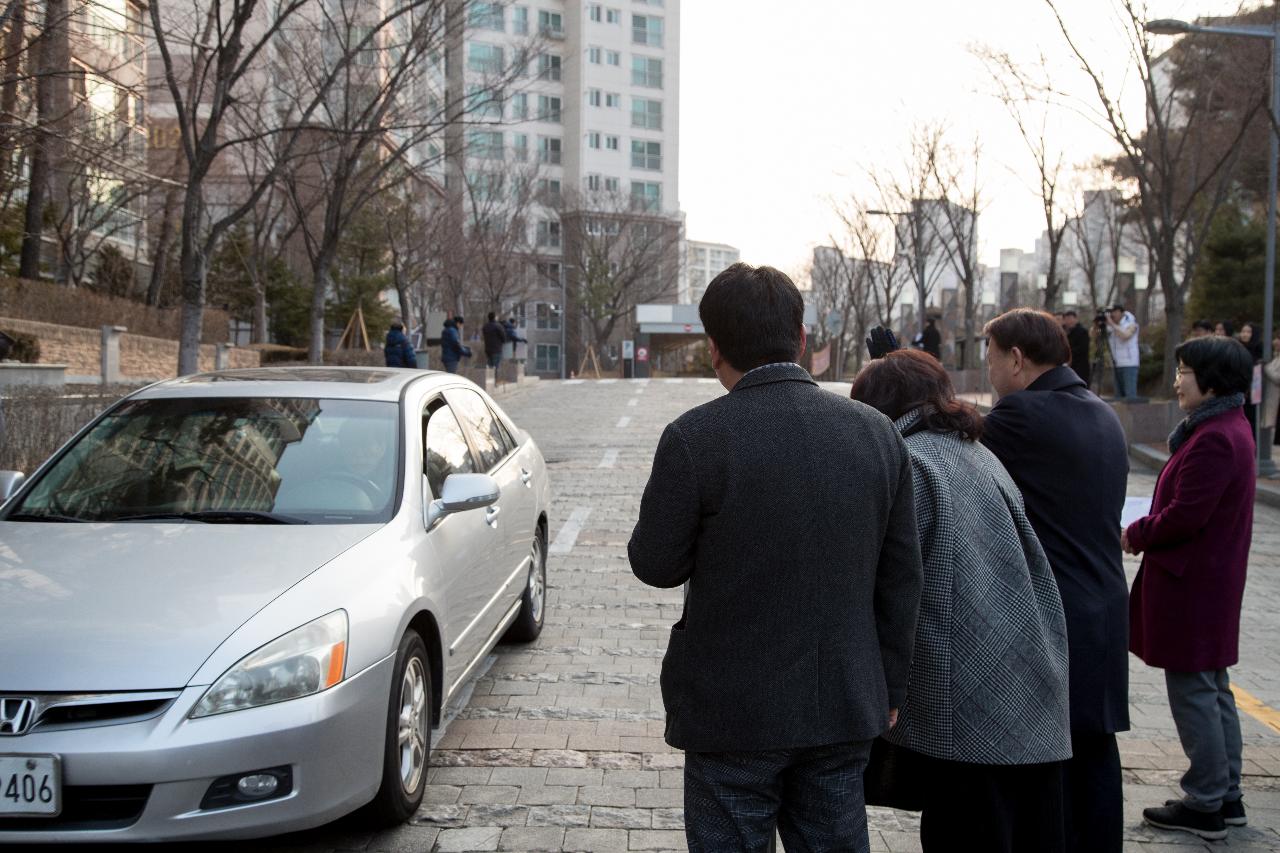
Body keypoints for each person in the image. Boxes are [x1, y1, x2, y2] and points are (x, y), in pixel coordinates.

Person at [628, 263, 923, 853]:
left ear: (713, 348)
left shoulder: (695, 437)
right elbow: (901, 579)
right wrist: (889, 687)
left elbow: (654, 564)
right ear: (803, 338)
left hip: (729, 710)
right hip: (844, 700)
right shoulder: (876, 434)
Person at [850, 349, 1071, 853]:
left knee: (968, 832)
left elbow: (894, 584)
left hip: (967, 695)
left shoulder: (913, 462)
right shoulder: (974, 452)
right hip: (1022, 680)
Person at [979, 308, 1130, 853]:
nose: (989, 369)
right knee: (1096, 757)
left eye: (991, 356)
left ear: (1016, 359)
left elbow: (953, 440)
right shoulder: (1101, 412)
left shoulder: (1020, 416)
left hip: (1058, 616)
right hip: (1106, 610)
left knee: (1054, 772)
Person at [1125, 335, 1256, 841]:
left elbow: (1185, 516)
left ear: (1212, 381)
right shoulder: (1227, 427)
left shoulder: (1216, 438)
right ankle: (1227, 794)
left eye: (1184, 372)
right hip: (1208, 582)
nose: (1178, 381)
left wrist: (1134, 534)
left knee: (1195, 692)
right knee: (1213, 688)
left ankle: (1205, 802)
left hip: (1193, 585)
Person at [1106, 303, 1140, 399]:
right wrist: (1098, 325)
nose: (1112, 315)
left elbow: (1125, 336)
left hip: (1129, 364)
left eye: (1114, 312)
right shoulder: (1110, 326)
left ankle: (1132, 414)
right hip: (1116, 364)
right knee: (1118, 396)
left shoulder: (1131, 323)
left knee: (1130, 396)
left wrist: (1112, 325)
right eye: (1111, 312)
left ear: (1121, 312)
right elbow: (1095, 336)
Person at [1237, 322, 1263, 438]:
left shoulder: (1259, 350)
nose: (1245, 334)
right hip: (1237, 391)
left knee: (1251, 422)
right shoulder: (1236, 348)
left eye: (1248, 332)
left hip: (1252, 394)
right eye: (1243, 331)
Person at [1062, 310, 1090, 386]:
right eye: (1067, 319)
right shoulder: (1063, 331)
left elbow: (1082, 348)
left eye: (1071, 318)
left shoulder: (1082, 332)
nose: (1069, 321)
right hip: (1067, 365)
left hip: (1080, 365)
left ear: (1076, 319)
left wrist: (1068, 353)